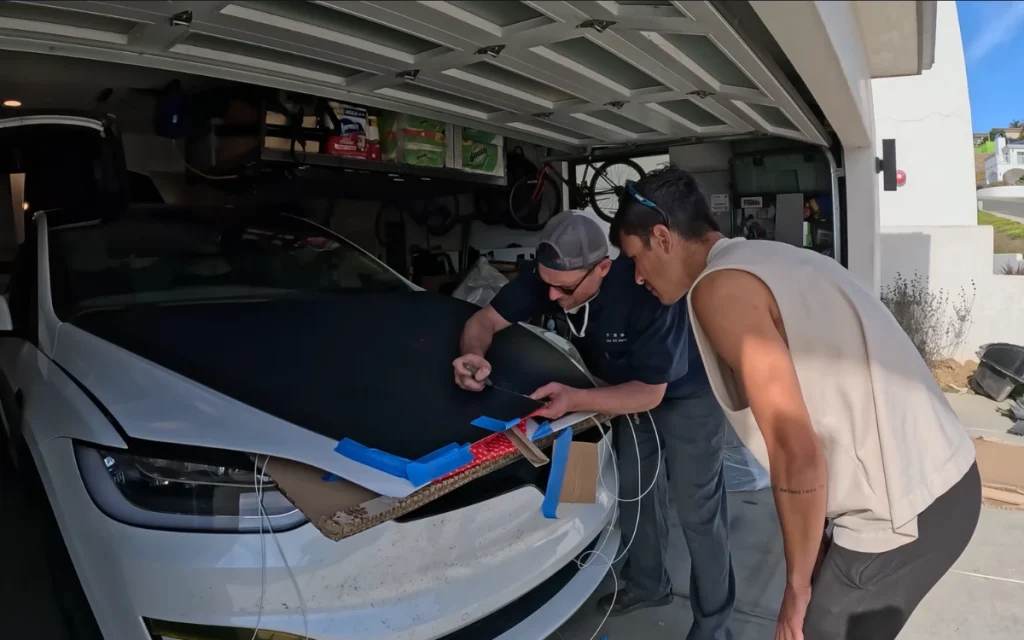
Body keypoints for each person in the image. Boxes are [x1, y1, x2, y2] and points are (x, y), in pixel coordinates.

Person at [609, 166, 981, 640]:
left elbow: (795, 453)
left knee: (807, 628)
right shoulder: (764, 257)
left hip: (904, 510)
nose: (637, 278)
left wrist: (797, 589)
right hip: (938, 479)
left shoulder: (718, 288)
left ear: (662, 238)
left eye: (635, 258)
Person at [453, 211, 736, 638]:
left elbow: (650, 394)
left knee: (698, 510)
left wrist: (576, 399)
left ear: (603, 267)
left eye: (563, 288)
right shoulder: (550, 279)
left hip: (683, 392)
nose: (550, 295)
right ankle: (647, 585)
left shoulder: (648, 288)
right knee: (634, 490)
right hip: (620, 386)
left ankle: (715, 626)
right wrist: (474, 353)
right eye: (544, 283)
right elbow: (483, 321)